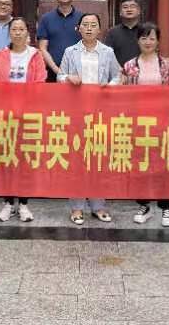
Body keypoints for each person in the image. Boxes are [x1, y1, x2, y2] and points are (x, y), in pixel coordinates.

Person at [58, 13, 120, 224]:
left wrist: (108, 87)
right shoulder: (70, 51)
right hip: (76, 112)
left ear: (100, 29)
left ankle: (98, 205)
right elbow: (59, 76)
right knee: (77, 160)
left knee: (98, 159)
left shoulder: (108, 52)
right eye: (85, 25)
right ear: (79, 28)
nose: (90, 28)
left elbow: (117, 76)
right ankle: (76, 207)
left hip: (101, 112)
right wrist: (68, 78)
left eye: (94, 25)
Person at [0, 17, 47, 222]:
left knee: (25, 161)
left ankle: (23, 204)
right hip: (5, 115)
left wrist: (26, 103)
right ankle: (7, 204)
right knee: (7, 159)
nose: (18, 32)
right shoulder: (0, 55)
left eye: (22, 29)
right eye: (14, 29)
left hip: (28, 115)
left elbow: (40, 82)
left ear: (27, 33)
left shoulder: (36, 55)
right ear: (9, 33)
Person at [121, 22, 169, 227]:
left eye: (152, 38)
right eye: (144, 38)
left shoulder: (167, 65)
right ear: (138, 40)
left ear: (158, 41)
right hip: (138, 123)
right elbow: (122, 96)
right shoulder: (129, 66)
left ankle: (166, 207)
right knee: (141, 164)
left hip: (162, 122)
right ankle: (144, 205)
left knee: (163, 164)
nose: (148, 42)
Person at [37, 0, 82, 82]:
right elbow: (42, 48)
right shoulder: (46, 18)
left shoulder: (82, 18)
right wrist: (57, 71)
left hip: (78, 72)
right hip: (52, 72)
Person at [105, 0, 142, 67]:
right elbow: (107, 56)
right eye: (125, 7)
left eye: (132, 6)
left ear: (139, 11)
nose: (129, 9)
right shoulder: (112, 33)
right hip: (119, 74)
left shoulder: (145, 31)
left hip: (142, 74)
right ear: (120, 12)